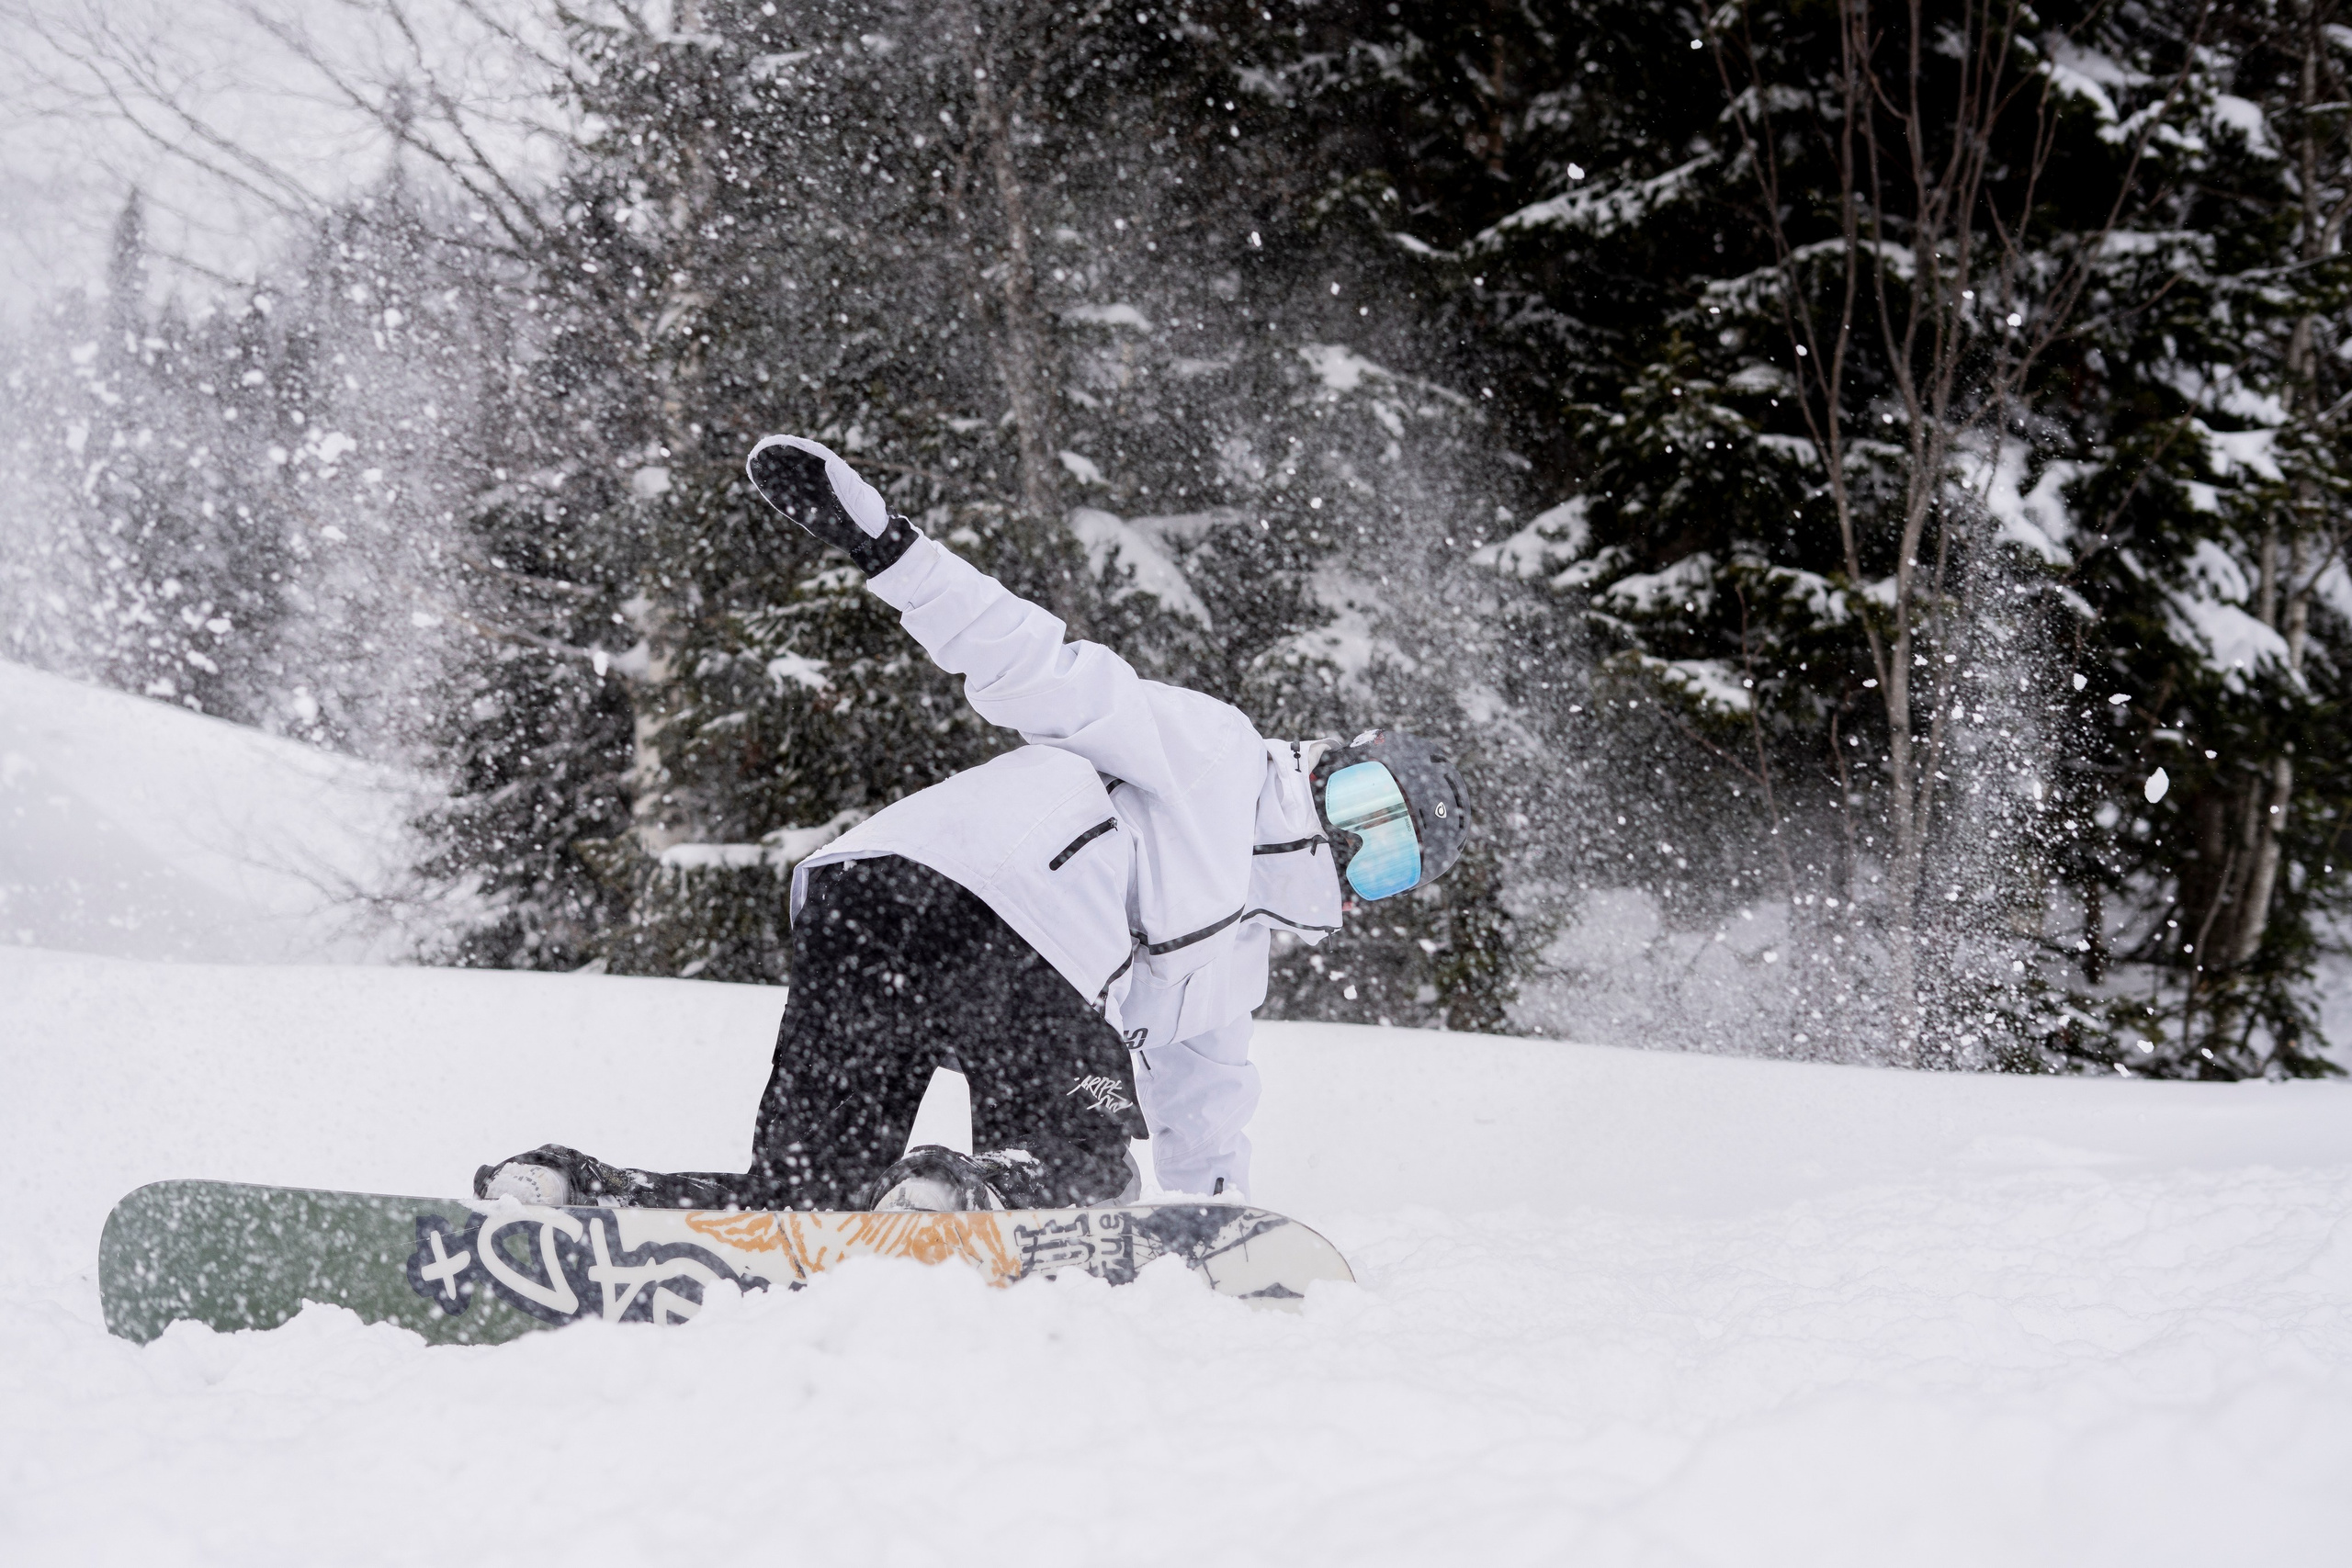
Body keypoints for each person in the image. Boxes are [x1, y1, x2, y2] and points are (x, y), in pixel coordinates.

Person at [475, 434, 1472, 1214]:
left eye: (1386, 859)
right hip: (1003, 907)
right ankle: (958, 1201)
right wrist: (889, 552)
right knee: (1084, 1171)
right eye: (1362, 809)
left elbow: (1205, 1107)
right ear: (1332, 764)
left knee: (810, 1201)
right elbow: (1039, 666)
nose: (1349, 848)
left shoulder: (1229, 966)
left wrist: (1216, 1221)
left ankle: (569, 1193)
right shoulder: (1216, 753)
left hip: (864, 904)